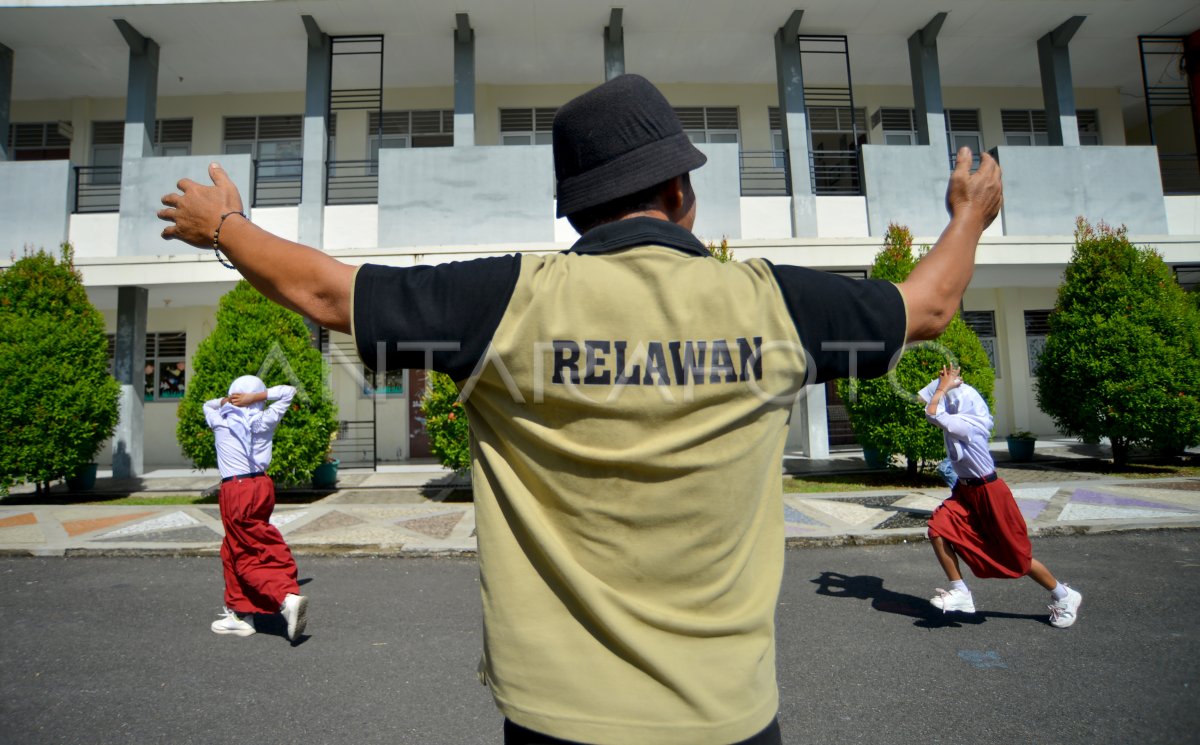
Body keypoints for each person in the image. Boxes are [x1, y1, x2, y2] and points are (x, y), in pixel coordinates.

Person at [160, 74, 1002, 744]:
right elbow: (925, 306)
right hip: (728, 718)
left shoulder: (507, 300)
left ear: (574, 207)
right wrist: (968, 216)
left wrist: (225, 225)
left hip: (557, 723)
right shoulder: (773, 305)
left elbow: (328, 293)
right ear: (679, 190)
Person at [919, 366, 1082, 628]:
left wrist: (942, 388)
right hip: (966, 490)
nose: (944, 399)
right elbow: (928, 402)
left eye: (950, 398)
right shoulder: (958, 417)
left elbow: (932, 413)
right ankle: (960, 591)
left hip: (990, 493)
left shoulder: (969, 425)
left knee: (1017, 557)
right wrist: (943, 383)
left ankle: (1064, 595)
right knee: (937, 529)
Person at [203, 375, 309, 641]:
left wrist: (225, 401)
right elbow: (288, 392)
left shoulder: (220, 420)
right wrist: (257, 398)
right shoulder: (263, 421)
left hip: (236, 489)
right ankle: (241, 614)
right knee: (233, 549)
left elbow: (208, 405)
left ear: (232, 395)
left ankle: (285, 599)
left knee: (247, 551)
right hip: (261, 486)